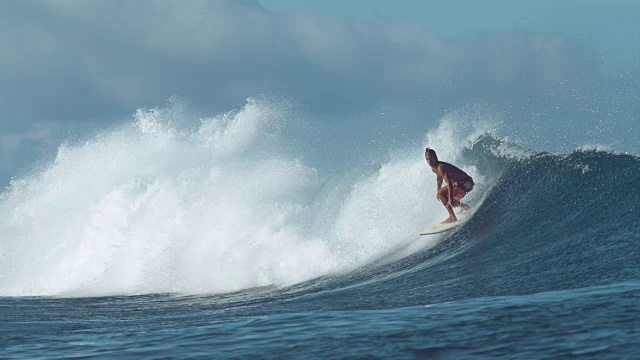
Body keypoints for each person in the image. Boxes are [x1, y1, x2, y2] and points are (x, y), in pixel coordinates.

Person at [425, 147, 474, 224]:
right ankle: (464, 206)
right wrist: (438, 190)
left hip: (466, 183)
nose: (429, 161)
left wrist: (449, 198)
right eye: (427, 159)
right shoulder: (434, 168)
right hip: (461, 184)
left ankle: (452, 217)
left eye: (430, 158)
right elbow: (439, 178)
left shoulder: (440, 167)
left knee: (443, 194)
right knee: (443, 195)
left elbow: (449, 183)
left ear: (435, 157)